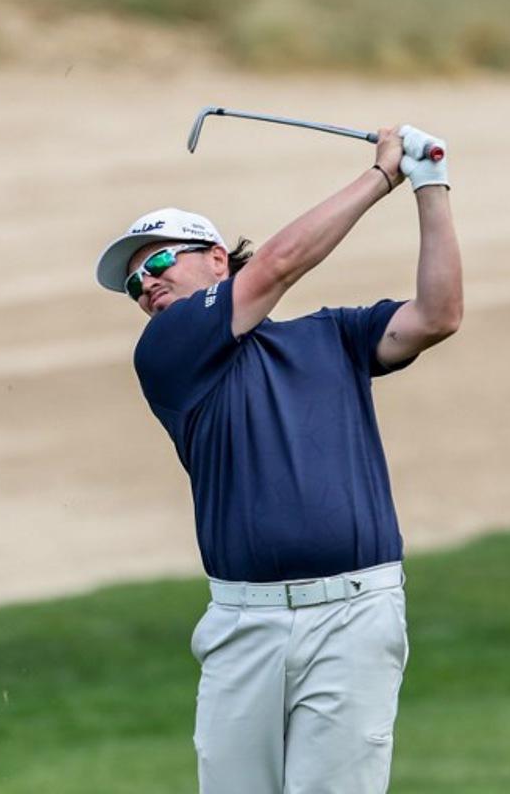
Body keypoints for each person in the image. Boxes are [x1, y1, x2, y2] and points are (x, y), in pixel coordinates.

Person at [93, 125, 462, 794]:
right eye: (131, 287)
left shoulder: (334, 337)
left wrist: (429, 184)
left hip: (356, 612)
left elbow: (437, 315)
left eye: (154, 265)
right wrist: (380, 177)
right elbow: (280, 265)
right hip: (245, 622)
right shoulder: (170, 350)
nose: (144, 288)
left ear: (213, 259)